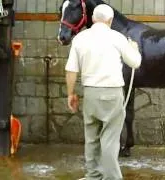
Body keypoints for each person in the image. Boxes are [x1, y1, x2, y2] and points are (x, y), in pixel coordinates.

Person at [64, 4, 141, 180]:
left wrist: (70, 94)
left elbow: (71, 70)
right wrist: (134, 49)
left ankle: (93, 175)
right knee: (110, 140)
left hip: (90, 93)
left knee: (91, 139)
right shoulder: (118, 38)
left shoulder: (80, 38)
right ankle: (112, 178)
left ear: (92, 19)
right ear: (111, 20)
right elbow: (135, 63)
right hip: (112, 94)